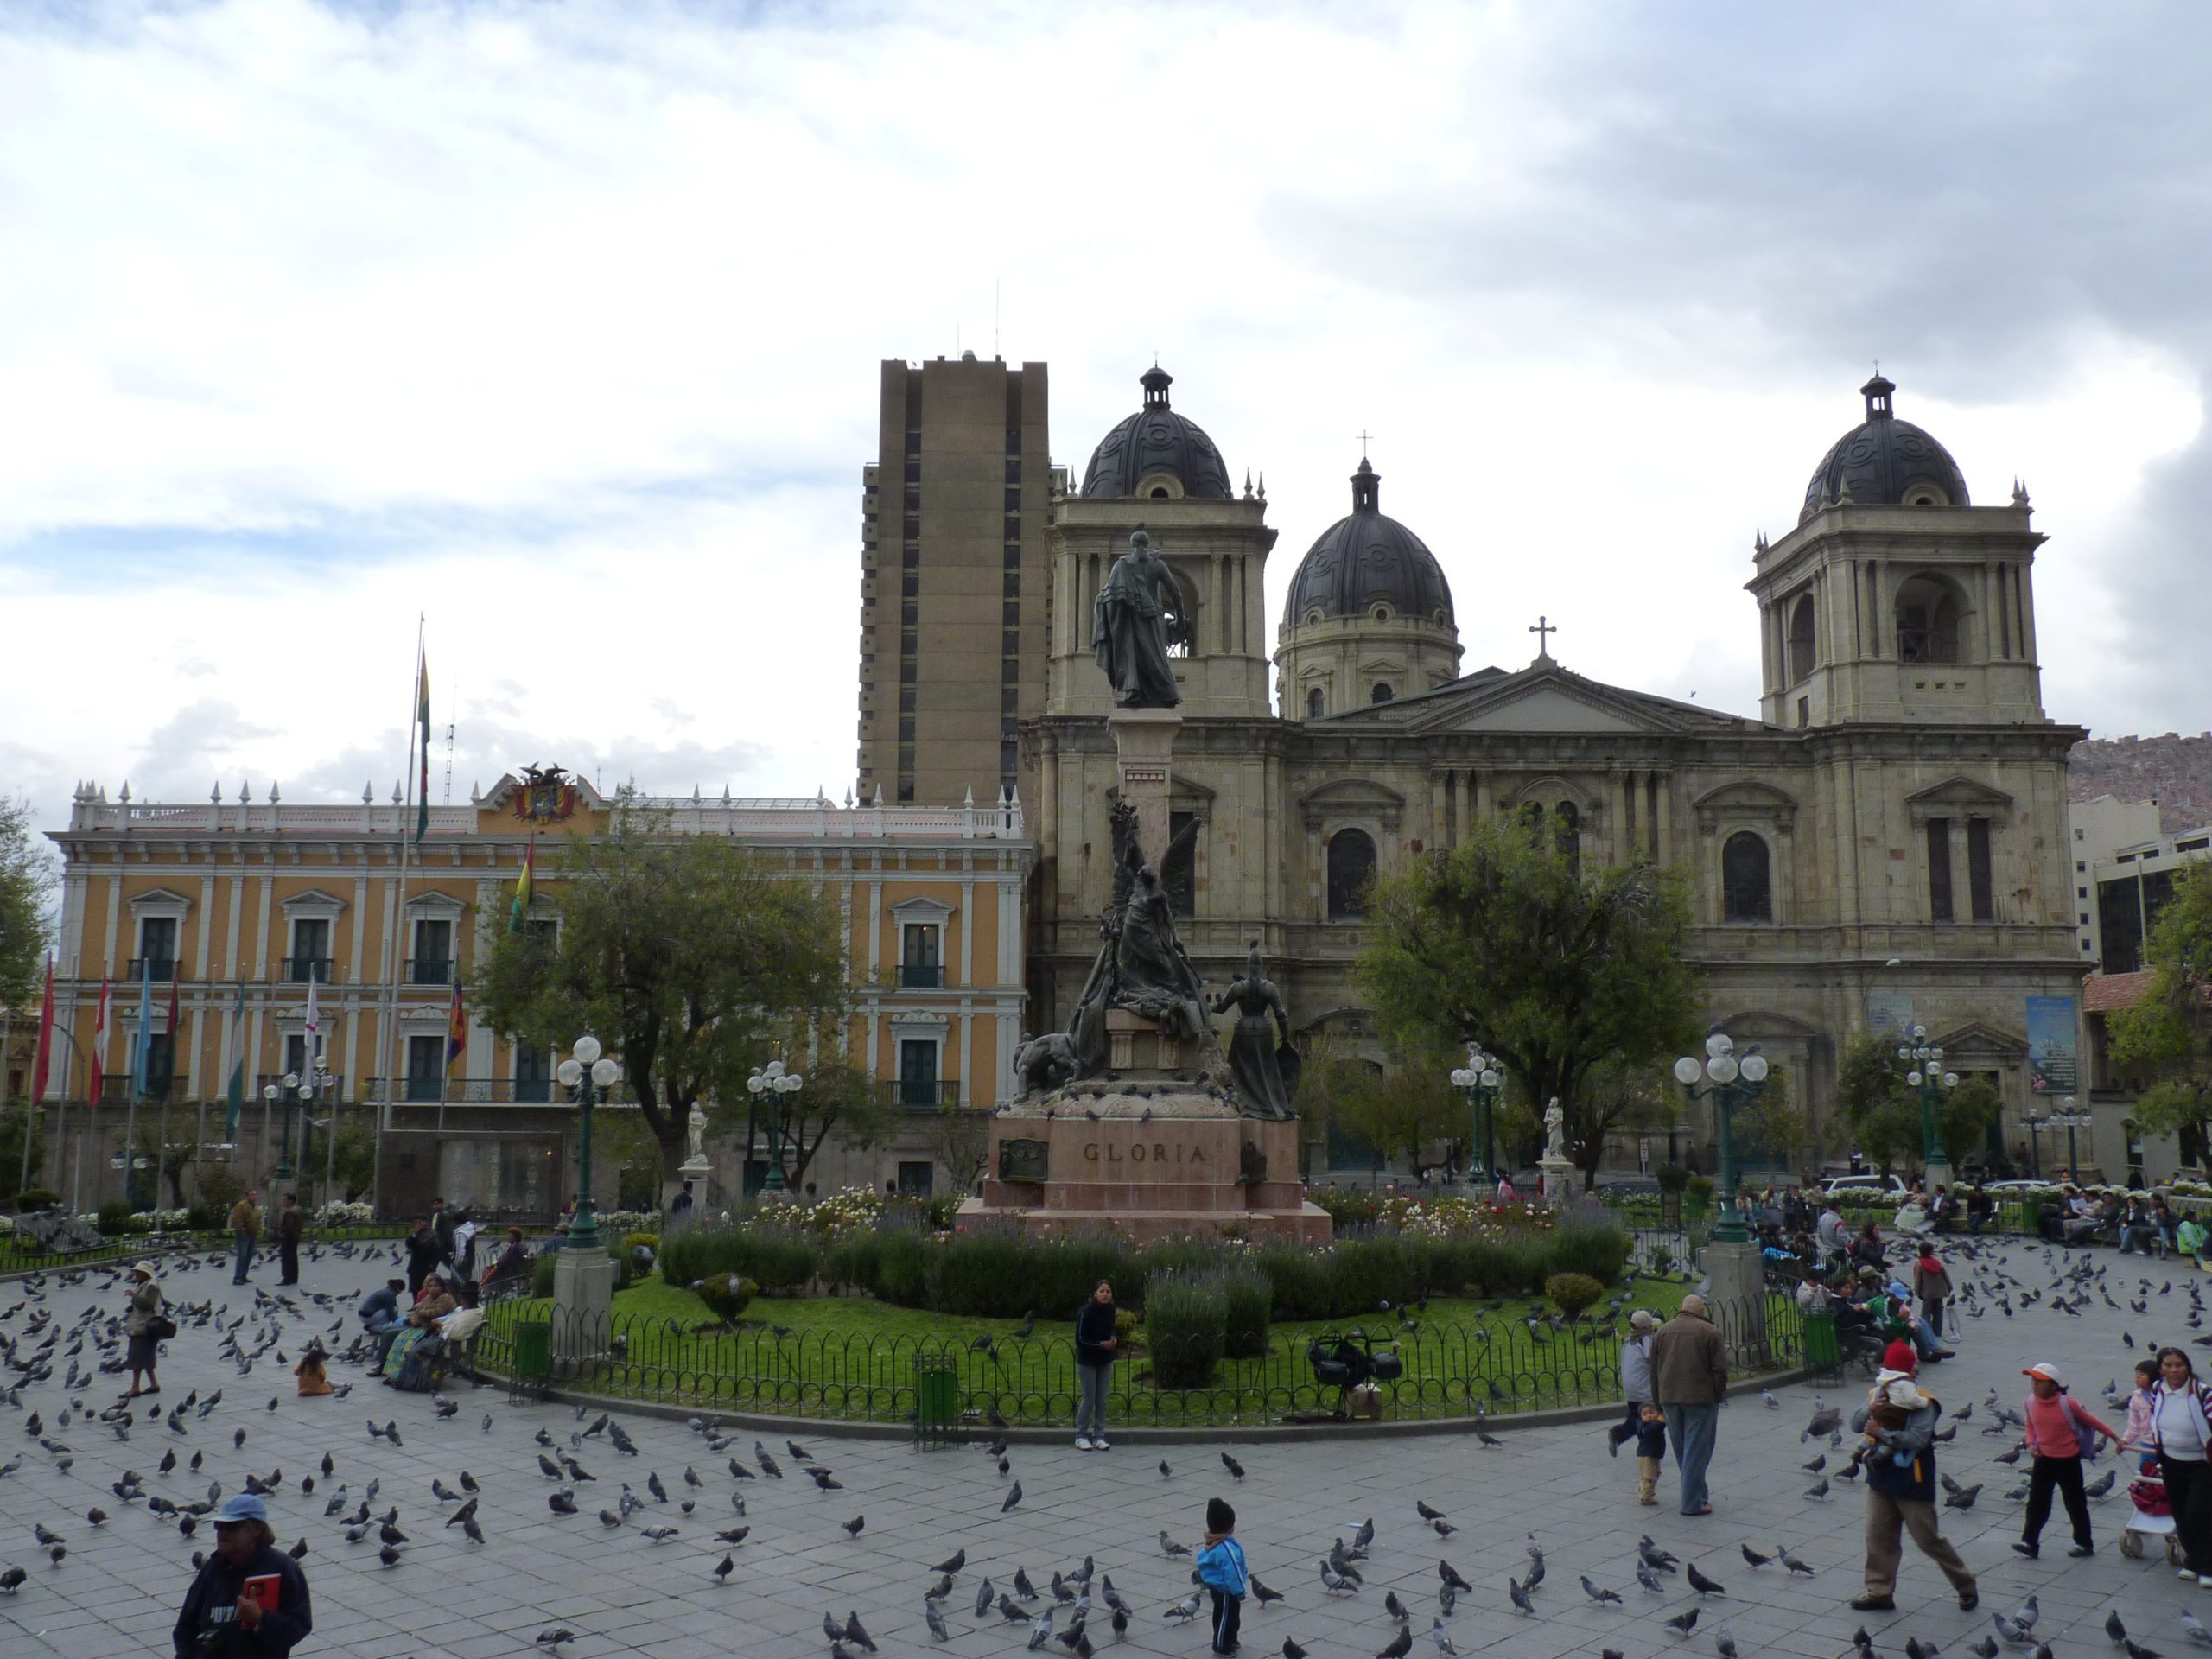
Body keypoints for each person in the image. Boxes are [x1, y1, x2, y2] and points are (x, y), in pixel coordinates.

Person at [1848, 1360, 1977, 1613]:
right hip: (1881, 1476)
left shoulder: (1924, 1403)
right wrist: (1870, 1410)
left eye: (1914, 1369)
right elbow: (1855, 1425)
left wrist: (1882, 1434)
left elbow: (1917, 1439)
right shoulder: (1878, 1394)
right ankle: (1879, 1592)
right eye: (1910, 1368)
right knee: (1878, 1535)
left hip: (1912, 1478)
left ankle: (1965, 1584)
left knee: (1928, 1539)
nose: (1916, 1372)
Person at [171, 1491, 313, 1657]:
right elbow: (185, 1629)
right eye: (218, 1526)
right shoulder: (212, 1569)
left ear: (256, 1530)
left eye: (232, 1527)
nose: (222, 1533)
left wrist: (261, 1620)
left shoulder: (282, 1568)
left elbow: (299, 1625)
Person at [2015, 1360, 2116, 1558]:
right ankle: (2029, 1542)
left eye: (2040, 1381)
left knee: (2075, 1503)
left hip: (2068, 1461)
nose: (2034, 1384)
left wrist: (2114, 1437)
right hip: (2043, 1459)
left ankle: (2084, 1543)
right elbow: (2030, 1425)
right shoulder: (2030, 1402)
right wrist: (2031, 1443)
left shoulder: (2067, 1404)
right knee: (2036, 1503)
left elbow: (2091, 1421)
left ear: (2054, 1385)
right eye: (2033, 1380)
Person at [1651, 1294, 1726, 1516]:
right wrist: (1717, 1395)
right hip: (1700, 1399)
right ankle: (1691, 1503)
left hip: (1670, 1398)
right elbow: (1720, 1370)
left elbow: (1653, 1370)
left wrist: (1657, 1401)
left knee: (1684, 1450)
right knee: (1697, 1450)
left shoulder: (1662, 1331)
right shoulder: (1710, 1332)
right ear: (1702, 1311)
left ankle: (1699, 1493)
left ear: (1681, 1308)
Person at [2152, 1345, 2212, 1585]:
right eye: (2168, 1365)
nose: (2174, 1370)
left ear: (2187, 1367)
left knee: (2199, 1512)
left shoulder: (2202, 1392)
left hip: (2201, 1464)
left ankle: (2208, 1566)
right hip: (2170, 1461)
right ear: (2161, 1369)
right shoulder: (2158, 1389)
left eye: (2179, 1365)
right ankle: (2193, 1561)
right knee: (2180, 1513)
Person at [1195, 1497, 1248, 1656]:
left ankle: (1230, 1639)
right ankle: (1221, 1646)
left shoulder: (1213, 1543)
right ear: (1229, 1527)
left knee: (1228, 1615)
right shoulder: (1226, 1548)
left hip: (1217, 1587)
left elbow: (1202, 1560)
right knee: (1226, 1617)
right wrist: (1239, 1591)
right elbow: (1233, 1572)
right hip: (1227, 1590)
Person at [1074, 1280, 1118, 1451]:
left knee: (1102, 1400)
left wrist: (1113, 1338)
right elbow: (1080, 1339)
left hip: (1105, 1361)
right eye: (1102, 1291)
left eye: (1108, 1291)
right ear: (1096, 1293)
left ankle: (1099, 1435)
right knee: (1089, 1399)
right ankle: (1081, 1435)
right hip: (1088, 1361)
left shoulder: (1111, 1310)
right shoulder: (1086, 1312)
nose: (1105, 1294)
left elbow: (1112, 1328)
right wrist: (1100, 1345)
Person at [1610, 1309, 1657, 1457]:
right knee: (1650, 1419)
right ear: (1647, 1327)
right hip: (1644, 1390)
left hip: (1630, 1390)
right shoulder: (1646, 1340)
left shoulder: (1628, 1342)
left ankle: (1618, 1435)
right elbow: (1653, 1360)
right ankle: (1647, 1450)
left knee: (1635, 1417)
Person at [124, 1262, 164, 1400]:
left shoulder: (151, 1285)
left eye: (138, 1272)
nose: (135, 1274)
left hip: (144, 1327)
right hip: (144, 1325)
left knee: (137, 1358)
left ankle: (135, 1388)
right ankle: (154, 1384)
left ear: (146, 1273)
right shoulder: (146, 1283)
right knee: (146, 1358)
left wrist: (133, 1296)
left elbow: (147, 1304)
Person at [1911, 1244, 1953, 1342]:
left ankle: (1926, 1331)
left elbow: (1918, 1280)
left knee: (1926, 1312)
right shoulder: (1937, 1263)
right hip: (1940, 1291)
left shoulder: (1920, 1264)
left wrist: (1917, 1292)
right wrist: (1949, 1287)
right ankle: (1938, 1331)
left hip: (1927, 1292)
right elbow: (1946, 1276)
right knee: (1938, 1312)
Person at [2120, 1358, 2162, 1455]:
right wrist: (2125, 1441)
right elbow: (2134, 1423)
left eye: (2142, 1375)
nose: (2137, 1377)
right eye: (2136, 1374)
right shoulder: (2136, 1397)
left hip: (2166, 1443)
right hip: (2147, 1442)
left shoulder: (2163, 1395)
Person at [1633, 1402, 1668, 1506]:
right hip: (1646, 1455)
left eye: (1652, 1412)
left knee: (1656, 1473)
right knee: (1649, 1476)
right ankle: (1646, 1497)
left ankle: (1644, 1490)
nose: (1649, 1415)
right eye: (1645, 1414)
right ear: (1641, 1417)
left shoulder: (1655, 1425)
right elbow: (1653, 1429)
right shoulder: (1644, 1427)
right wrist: (1661, 1421)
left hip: (1654, 1454)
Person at [228, 1188, 262, 1287]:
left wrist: (258, 1229)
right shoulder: (241, 1206)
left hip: (253, 1233)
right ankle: (237, 1277)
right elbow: (237, 1220)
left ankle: (243, 1275)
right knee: (242, 1256)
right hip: (244, 1234)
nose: (254, 1196)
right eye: (252, 1194)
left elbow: (258, 1219)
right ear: (247, 1196)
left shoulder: (256, 1207)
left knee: (249, 1255)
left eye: (256, 1194)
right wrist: (242, 1232)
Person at [404, 1216, 444, 1297]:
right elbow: (409, 1245)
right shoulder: (415, 1233)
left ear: (425, 1222)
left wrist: (432, 1266)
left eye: (419, 1222)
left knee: (425, 1288)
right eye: (416, 1222)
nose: (417, 1224)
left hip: (425, 1266)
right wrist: (414, 1235)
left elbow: (436, 1252)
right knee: (415, 1289)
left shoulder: (431, 1234)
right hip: (415, 1266)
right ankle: (415, 1304)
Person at [275, 1193, 302, 1287]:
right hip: (295, 1236)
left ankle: (287, 1278)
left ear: (290, 1201)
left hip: (288, 1237)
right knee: (293, 1257)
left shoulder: (289, 1212)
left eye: (284, 1200)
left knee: (287, 1258)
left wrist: (282, 1235)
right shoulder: (298, 1209)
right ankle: (293, 1277)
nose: (283, 1202)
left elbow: (289, 1227)